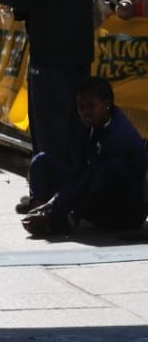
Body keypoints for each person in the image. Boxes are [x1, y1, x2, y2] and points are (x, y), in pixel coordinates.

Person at [10, 0, 98, 201]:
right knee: (77, 123)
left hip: (48, 48)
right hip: (80, 45)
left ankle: (45, 193)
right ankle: (75, 190)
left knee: (48, 125)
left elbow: (25, 1)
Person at [23, 78, 147, 236]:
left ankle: (64, 217)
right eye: (80, 107)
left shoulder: (117, 134)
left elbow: (90, 177)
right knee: (41, 161)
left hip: (123, 210)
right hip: (93, 189)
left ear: (107, 103)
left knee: (103, 172)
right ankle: (37, 212)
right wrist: (50, 205)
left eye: (91, 106)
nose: (84, 112)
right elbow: (78, 171)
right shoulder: (91, 123)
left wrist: (55, 206)